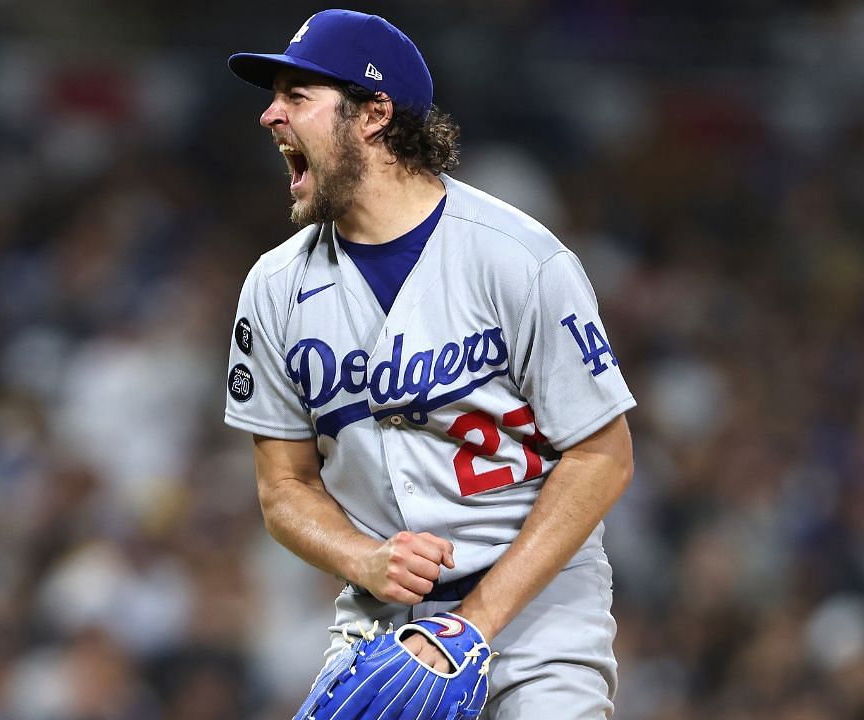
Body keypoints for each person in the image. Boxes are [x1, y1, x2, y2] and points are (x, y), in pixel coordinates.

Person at [223, 9, 635, 717]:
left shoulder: (517, 258)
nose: (269, 116)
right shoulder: (274, 287)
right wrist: (360, 559)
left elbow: (604, 457)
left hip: (536, 614)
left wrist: (473, 623)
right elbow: (283, 488)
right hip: (383, 620)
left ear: (375, 114)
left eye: (297, 97)